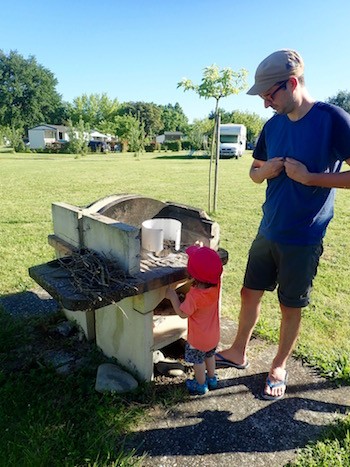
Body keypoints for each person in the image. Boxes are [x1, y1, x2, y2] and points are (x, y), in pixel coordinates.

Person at [215, 49, 350, 400]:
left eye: (269, 95)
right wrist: (266, 170)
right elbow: (253, 172)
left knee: (290, 305)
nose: (265, 104)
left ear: (292, 83)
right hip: (267, 228)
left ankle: (278, 364)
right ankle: (238, 351)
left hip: (303, 236)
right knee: (248, 293)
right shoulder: (272, 126)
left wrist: (311, 178)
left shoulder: (333, 119)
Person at [166, 245, 223, 395]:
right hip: (213, 335)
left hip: (198, 339)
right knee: (209, 356)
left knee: (198, 362)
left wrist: (173, 297)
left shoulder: (194, 296)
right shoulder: (216, 286)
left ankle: (200, 384)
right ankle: (212, 379)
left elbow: (182, 314)